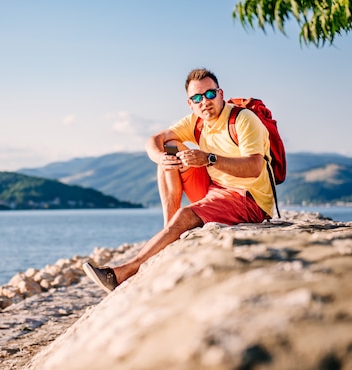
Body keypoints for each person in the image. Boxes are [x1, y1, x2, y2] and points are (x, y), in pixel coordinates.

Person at [83, 67, 275, 293]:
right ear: (190, 103)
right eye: (197, 97)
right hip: (215, 189)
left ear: (221, 93)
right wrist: (160, 158)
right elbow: (156, 139)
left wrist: (209, 159)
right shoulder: (196, 121)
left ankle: (123, 273)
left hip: (248, 198)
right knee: (169, 149)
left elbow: (254, 168)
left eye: (210, 94)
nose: (204, 101)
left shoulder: (243, 120)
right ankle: (168, 230)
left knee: (185, 215)